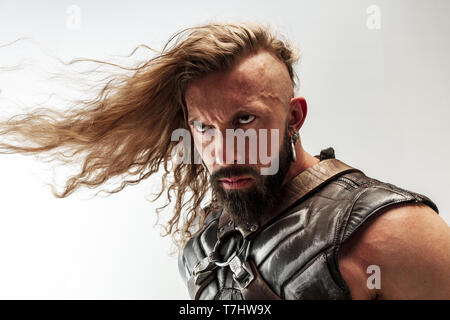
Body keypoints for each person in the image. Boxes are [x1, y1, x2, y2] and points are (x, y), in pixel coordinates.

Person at [1, 22, 449, 300]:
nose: (225, 152)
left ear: (294, 117)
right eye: (205, 128)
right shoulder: (207, 242)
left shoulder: (391, 231)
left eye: (245, 120)